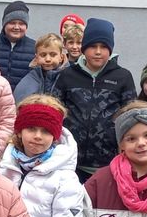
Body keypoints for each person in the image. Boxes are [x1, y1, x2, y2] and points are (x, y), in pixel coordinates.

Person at [51, 18, 136, 183]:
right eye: (92, 46)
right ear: (84, 48)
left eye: (103, 47)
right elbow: (55, 111)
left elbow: (130, 117)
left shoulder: (123, 77)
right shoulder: (67, 75)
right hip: (71, 162)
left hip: (109, 162)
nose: (98, 52)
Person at [0, 0, 35, 91]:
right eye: (12, 23)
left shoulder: (34, 48)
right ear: (4, 24)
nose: (16, 27)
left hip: (22, 100)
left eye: (21, 23)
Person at [12, 32, 67, 103]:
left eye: (53, 55)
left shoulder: (69, 78)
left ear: (61, 57)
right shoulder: (30, 80)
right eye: (43, 55)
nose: (48, 59)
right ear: (36, 58)